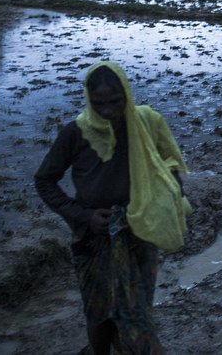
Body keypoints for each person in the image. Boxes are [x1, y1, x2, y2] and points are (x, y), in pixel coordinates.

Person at [35, 62, 191, 355]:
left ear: (127, 95)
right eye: (99, 104)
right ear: (89, 100)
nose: (108, 110)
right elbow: (44, 181)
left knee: (137, 307)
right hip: (93, 237)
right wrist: (83, 216)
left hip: (139, 232)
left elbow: (167, 165)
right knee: (98, 310)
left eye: (115, 101)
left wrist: (165, 199)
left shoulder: (145, 124)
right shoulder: (76, 133)